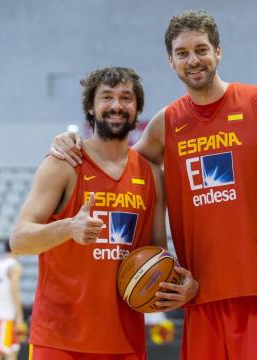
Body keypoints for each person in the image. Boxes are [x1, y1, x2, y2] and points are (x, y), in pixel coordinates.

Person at [49, 10, 257, 359]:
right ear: (171, 60)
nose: (193, 60)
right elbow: (114, 165)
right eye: (182, 53)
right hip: (199, 296)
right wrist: (71, 143)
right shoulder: (166, 124)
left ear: (218, 52)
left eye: (201, 49)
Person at [10, 67, 197, 360]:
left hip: (125, 340)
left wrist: (175, 286)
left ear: (137, 110)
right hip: (60, 339)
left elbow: (158, 251)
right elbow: (19, 240)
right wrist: (68, 228)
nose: (116, 105)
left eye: (126, 98)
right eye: (107, 97)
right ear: (90, 107)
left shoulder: (152, 176)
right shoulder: (63, 164)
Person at [0, 243, 23, 360]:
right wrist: (19, 315)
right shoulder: (14, 266)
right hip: (5, 315)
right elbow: (15, 291)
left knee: (12, 350)